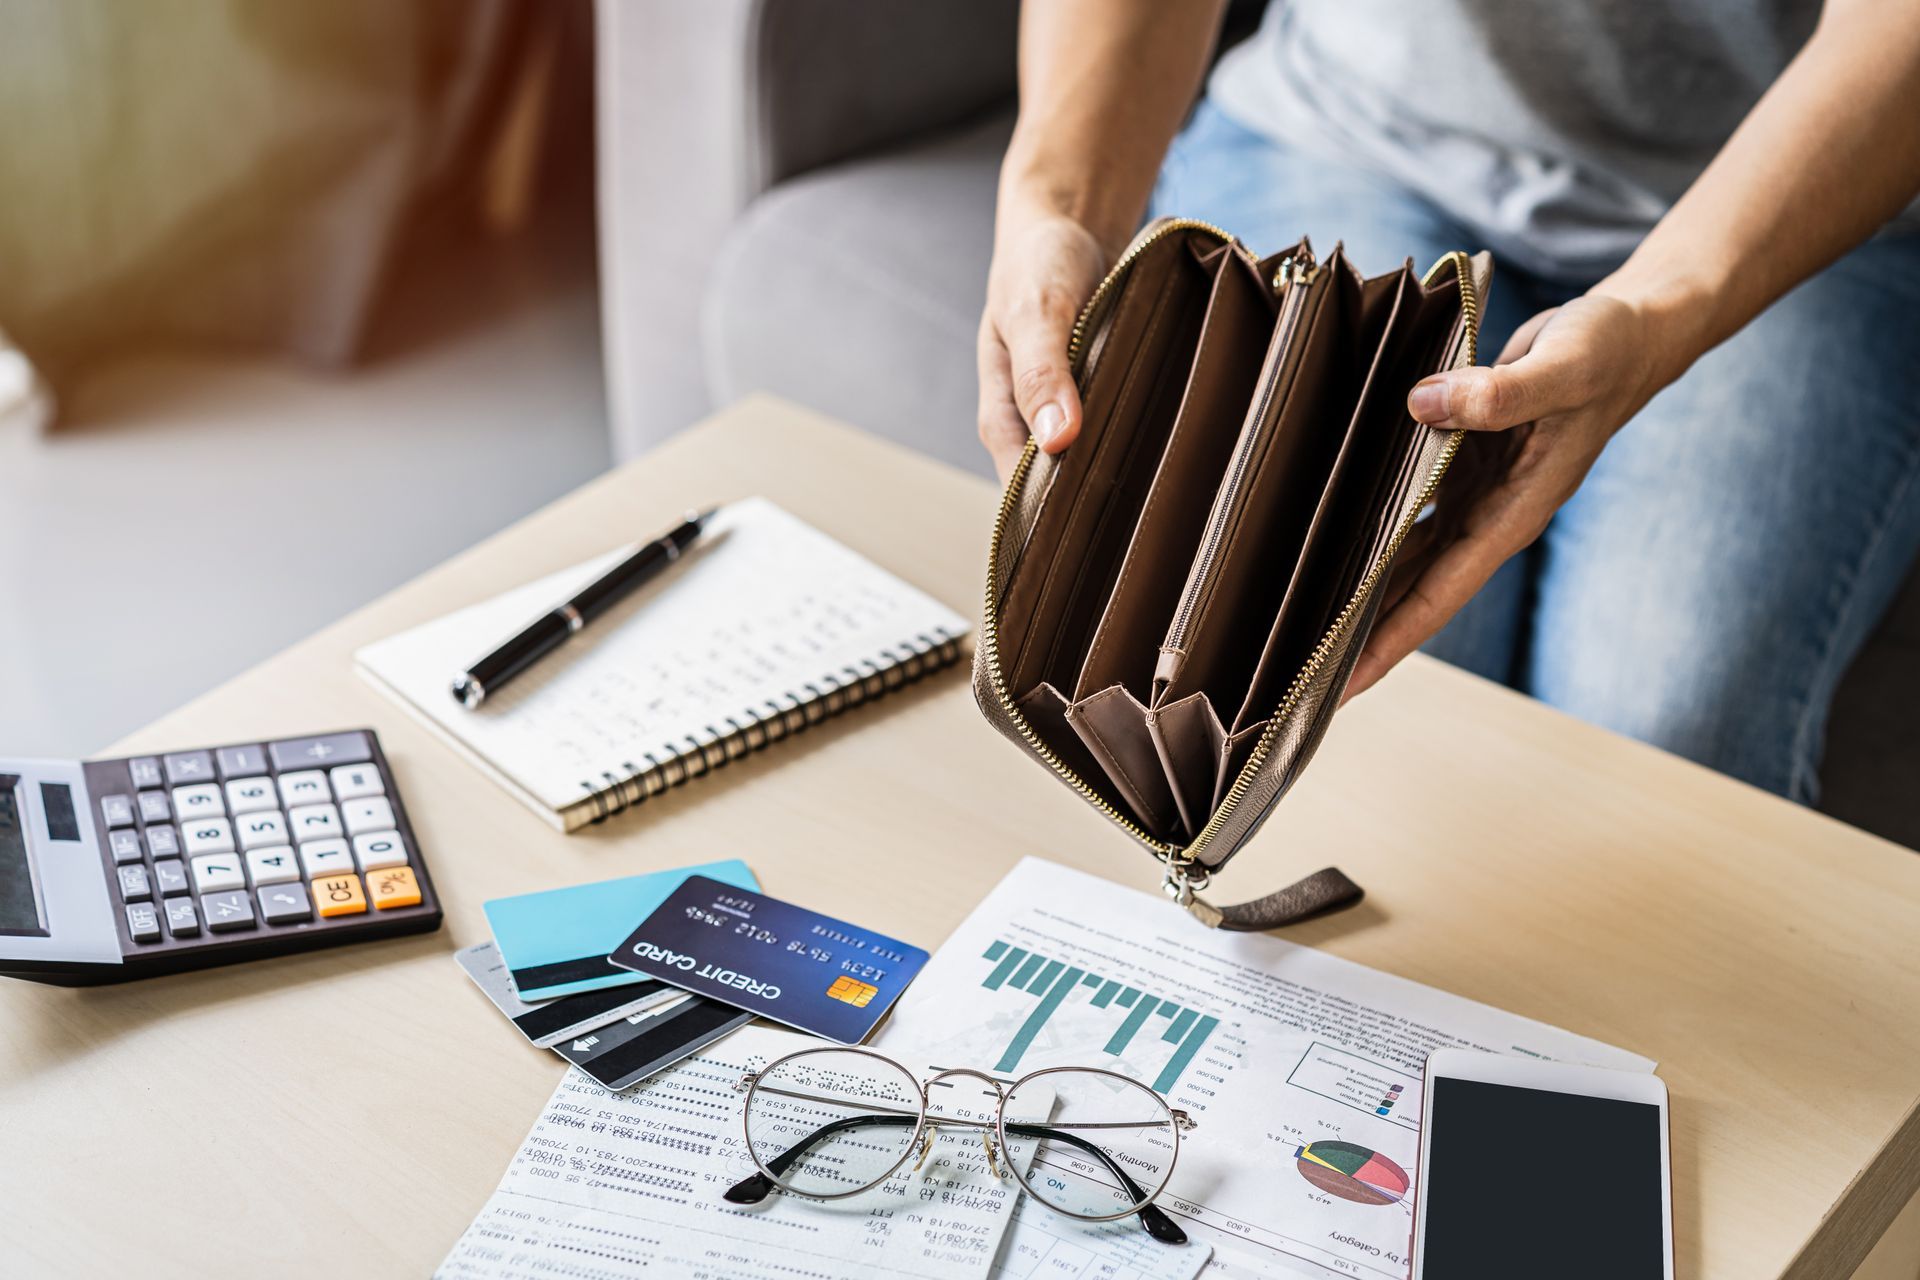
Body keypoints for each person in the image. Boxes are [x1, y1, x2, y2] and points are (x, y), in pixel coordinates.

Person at [975, 0, 1920, 803]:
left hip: (1803, 198)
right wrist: (1057, 205)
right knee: (1302, 680)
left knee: (1663, 737)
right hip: (1356, 128)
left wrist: (1658, 310)